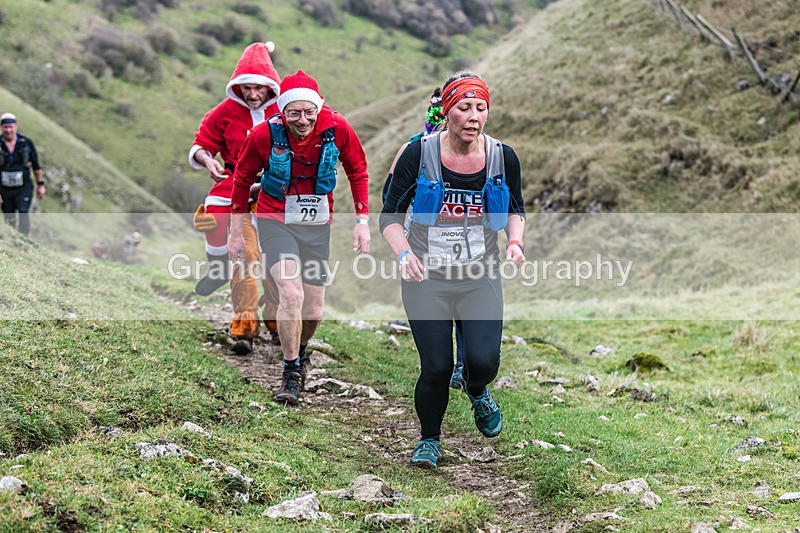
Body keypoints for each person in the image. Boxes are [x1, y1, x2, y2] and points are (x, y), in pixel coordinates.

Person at [380, 71, 526, 468]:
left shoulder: (502, 156)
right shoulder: (418, 154)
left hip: (480, 275)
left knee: (484, 362)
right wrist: (403, 254)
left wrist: (514, 242)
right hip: (426, 276)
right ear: (448, 112)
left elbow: (515, 210)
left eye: (481, 108)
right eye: (465, 107)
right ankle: (429, 439)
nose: (474, 115)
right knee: (437, 366)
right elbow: (389, 216)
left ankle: (477, 389)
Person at [228, 69, 370, 405]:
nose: (303, 120)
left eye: (309, 112)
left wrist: (362, 220)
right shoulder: (264, 134)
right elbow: (241, 179)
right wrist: (236, 231)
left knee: (314, 309)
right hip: (275, 219)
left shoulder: (338, 129)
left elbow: (358, 170)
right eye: (294, 113)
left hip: (317, 224)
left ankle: (300, 350)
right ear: (282, 112)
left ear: (319, 109)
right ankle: (290, 371)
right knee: (291, 293)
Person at [188, 41, 283, 355]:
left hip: (275, 190)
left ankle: (277, 321)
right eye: (246, 88)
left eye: (259, 88)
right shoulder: (225, 111)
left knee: (278, 262)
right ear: (237, 86)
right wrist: (207, 160)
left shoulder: (284, 112)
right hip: (233, 183)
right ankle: (244, 324)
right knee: (243, 252)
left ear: (270, 85)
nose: (253, 95)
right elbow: (202, 143)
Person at [382, 88, 465, 389]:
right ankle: (439, 360)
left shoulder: (474, 150)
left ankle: (463, 364)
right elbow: (389, 194)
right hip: (422, 237)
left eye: (442, 108)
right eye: (432, 109)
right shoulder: (414, 147)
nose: (437, 115)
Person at [0, 113, 45, 234]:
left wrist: (40, 184)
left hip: (23, 187)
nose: (8, 130)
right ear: (1, 128)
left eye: (11, 126)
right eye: (5, 127)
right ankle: (13, 238)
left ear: (16, 126)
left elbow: (36, 165)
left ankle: (24, 238)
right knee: (9, 218)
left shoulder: (26, 143)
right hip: (4, 188)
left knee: (23, 211)